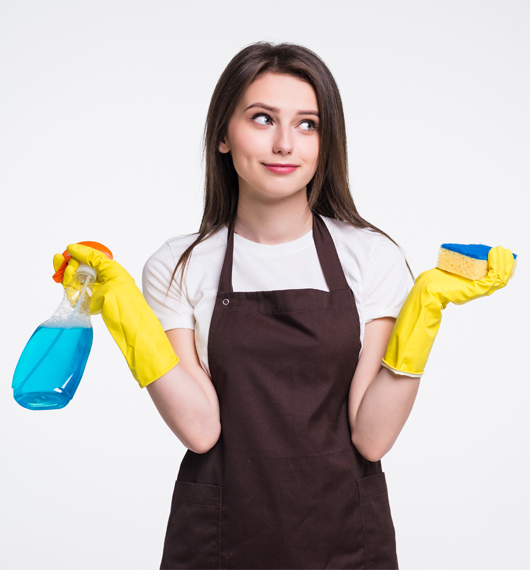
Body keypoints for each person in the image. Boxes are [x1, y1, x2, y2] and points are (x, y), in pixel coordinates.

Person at [57, 42, 515, 570]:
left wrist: (425, 306)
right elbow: (201, 430)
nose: (284, 144)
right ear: (223, 135)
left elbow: (372, 438)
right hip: (219, 539)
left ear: (326, 141)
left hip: (346, 539)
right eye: (262, 118)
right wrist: (126, 312)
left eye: (307, 125)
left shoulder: (371, 257)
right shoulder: (179, 265)